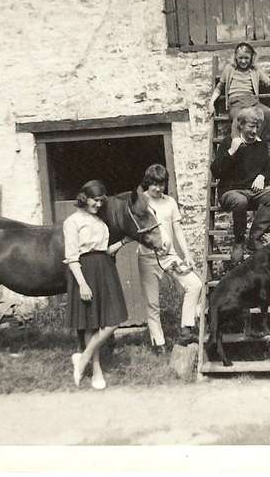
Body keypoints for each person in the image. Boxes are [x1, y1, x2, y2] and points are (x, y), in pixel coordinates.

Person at [63, 180, 131, 390]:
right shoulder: (72, 222)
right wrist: (82, 284)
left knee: (113, 321)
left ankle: (82, 358)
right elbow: (72, 257)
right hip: (85, 271)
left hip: (105, 269)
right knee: (91, 323)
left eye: (101, 201)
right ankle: (97, 370)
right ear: (85, 198)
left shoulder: (100, 222)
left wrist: (124, 241)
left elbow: (105, 251)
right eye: (95, 200)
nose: (98, 205)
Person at [137, 164, 203, 353]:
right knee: (153, 302)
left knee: (194, 284)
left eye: (161, 184)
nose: (158, 189)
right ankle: (159, 343)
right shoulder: (141, 202)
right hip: (147, 257)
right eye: (154, 185)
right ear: (147, 183)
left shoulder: (170, 202)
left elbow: (177, 230)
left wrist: (187, 254)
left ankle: (186, 330)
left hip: (169, 257)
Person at [211, 106, 270, 262]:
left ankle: (254, 237)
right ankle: (238, 242)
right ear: (241, 125)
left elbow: (266, 168)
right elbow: (216, 172)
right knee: (240, 201)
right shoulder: (229, 142)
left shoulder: (261, 144)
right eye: (251, 126)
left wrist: (262, 176)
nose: (255, 131)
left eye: (257, 127)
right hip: (231, 192)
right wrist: (231, 152)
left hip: (253, 192)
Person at [208, 42, 270, 141]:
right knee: (238, 119)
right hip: (236, 103)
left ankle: (254, 139)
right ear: (236, 57)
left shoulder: (255, 70)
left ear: (251, 58)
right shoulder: (229, 69)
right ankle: (237, 144)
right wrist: (211, 103)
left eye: (246, 58)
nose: (243, 61)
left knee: (267, 112)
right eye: (240, 58)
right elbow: (219, 87)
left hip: (252, 101)